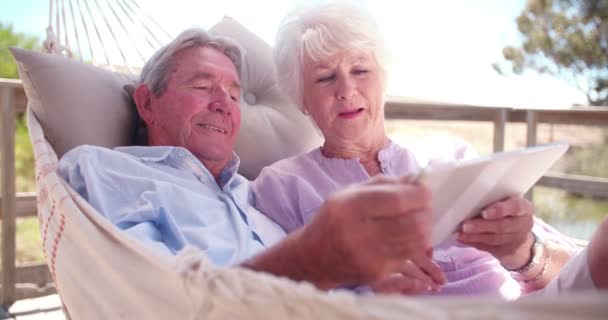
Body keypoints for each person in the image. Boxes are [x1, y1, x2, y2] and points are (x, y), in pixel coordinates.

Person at [251, 2, 603, 297]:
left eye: (360, 70)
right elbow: (275, 297)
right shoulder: (280, 186)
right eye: (325, 77)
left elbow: (570, 269)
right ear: (301, 99)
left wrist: (522, 252)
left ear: (383, 79)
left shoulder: (451, 157)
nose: (346, 89)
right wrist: (365, 293)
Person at [58, 28, 444, 290]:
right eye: (203, 86)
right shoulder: (105, 170)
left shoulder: (253, 195)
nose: (223, 105)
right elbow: (156, 301)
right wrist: (311, 258)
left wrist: (375, 287)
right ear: (146, 102)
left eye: (233, 93)